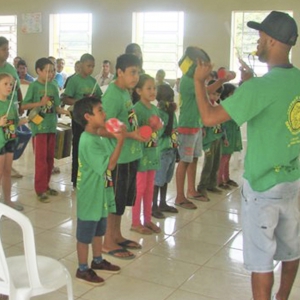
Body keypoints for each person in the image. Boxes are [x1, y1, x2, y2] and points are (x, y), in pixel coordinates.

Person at [193, 11, 300, 300]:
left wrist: (198, 82)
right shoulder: (294, 80)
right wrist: (251, 83)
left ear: (272, 40)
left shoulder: (260, 88)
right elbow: (275, 104)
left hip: (263, 187)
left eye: (261, 37)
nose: (258, 41)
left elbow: (209, 116)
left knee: (261, 261)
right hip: (292, 183)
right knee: (292, 251)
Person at [73, 96, 125, 285]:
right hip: (90, 196)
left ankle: (97, 261)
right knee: (85, 235)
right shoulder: (88, 140)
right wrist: (120, 140)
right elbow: (110, 165)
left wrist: (118, 134)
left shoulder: (98, 136)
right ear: (88, 116)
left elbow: (111, 156)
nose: (105, 113)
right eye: (100, 110)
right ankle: (82, 268)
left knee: (98, 231)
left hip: (101, 193)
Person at [100, 53, 146, 259]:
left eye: (138, 72)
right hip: (117, 157)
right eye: (132, 72)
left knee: (121, 200)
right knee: (113, 201)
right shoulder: (112, 95)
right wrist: (131, 135)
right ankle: (107, 242)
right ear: (119, 72)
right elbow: (103, 127)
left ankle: (117, 235)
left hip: (129, 155)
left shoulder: (125, 92)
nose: (136, 77)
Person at [21, 57, 69, 202]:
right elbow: (24, 106)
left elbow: (56, 107)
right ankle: (40, 189)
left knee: (49, 159)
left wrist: (66, 112)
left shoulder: (54, 86)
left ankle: (46, 185)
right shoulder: (34, 87)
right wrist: (40, 103)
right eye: (47, 71)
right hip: (39, 128)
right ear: (38, 71)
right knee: (40, 159)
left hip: (51, 127)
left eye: (52, 71)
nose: (50, 74)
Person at [62, 53, 102, 188]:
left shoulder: (93, 81)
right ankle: (76, 178)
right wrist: (80, 101)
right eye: (88, 66)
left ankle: (89, 176)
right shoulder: (74, 80)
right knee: (78, 147)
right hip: (78, 119)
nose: (91, 69)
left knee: (90, 147)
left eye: (93, 66)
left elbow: (99, 98)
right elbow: (66, 98)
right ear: (81, 65)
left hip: (91, 121)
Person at [131, 74, 161, 234]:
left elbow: (159, 130)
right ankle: (135, 222)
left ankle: (147, 219)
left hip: (152, 153)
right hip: (141, 155)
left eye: (154, 88)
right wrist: (148, 127)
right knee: (140, 188)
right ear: (138, 91)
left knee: (150, 188)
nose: (152, 91)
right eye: (148, 88)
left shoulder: (155, 108)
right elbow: (136, 132)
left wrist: (158, 126)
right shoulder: (136, 109)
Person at [0, 73, 27, 211]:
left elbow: (14, 122)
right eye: (5, 84)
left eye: (11, 84)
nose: (9, 87)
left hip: (10, 139)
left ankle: (8, 200)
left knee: (7, 171)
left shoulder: (11, 103)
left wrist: (23, 121)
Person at [152, 84, 178, 219]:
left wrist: (177, 150)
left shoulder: (171, 114)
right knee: (158, 180)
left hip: (171, 151)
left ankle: (163, 203)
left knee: (166, 179)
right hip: (162, 152)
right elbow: (163, 132)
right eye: (168, 98)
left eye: (172, 98)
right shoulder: (159, 114)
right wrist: (169, 115)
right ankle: (153, 206)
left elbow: (175, 132)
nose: (171, 101)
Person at [197, 80, 225, 200]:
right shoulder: (205, 106)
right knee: (208, 163)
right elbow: (202, 120)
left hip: (217, 138)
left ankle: (212, 184)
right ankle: (202, 186)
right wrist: (202, 129)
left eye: (218, 95)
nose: (215, 97)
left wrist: (224, 137)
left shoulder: (218, 106)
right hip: (208, 139)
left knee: (216, 162)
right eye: (213, 94)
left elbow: (222, 124)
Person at [0, 37, 24, 179]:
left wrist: (20, 105)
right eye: (4, 49)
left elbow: (18, 88)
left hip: (11, 111)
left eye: (8, 49)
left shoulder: (10, 68)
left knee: (9, 139)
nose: (7, 52)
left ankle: (8, 165)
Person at [217, 83, 242, 189]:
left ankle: (226, 178)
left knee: (228, 156)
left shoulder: (231, 103)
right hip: (226, 133)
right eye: (232, 93)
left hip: (232, 132)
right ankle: (219, 180)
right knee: (224, 157)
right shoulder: (223, 104)